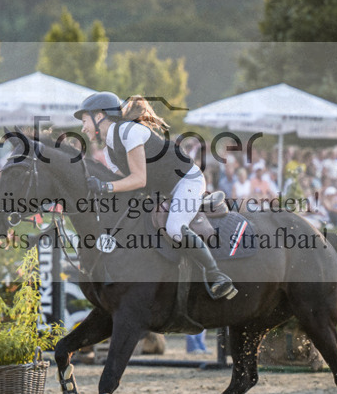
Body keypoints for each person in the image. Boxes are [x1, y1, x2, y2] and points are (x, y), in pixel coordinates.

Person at [75, 92, 236, 300]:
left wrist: (105, 186)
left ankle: (215, 274)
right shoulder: (109, 151)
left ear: (99, 116)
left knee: (174, 228)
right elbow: (127, 187)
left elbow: (139, 179)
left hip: (186, 181)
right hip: (162, 192)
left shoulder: (128, 132)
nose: (82, 128)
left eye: (84, 120)